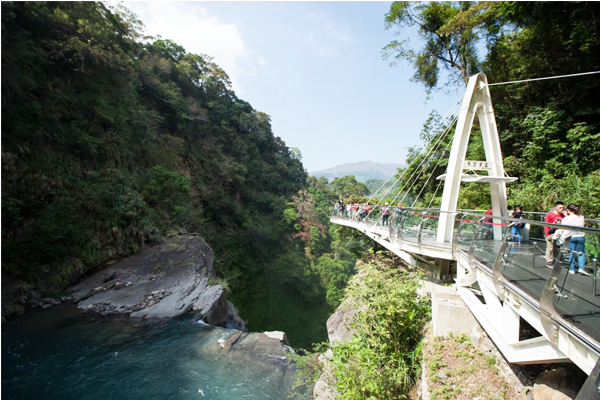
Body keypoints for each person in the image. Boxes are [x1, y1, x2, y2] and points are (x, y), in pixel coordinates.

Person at [552, 204, 588, 275]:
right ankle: (581, 268)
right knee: (581, 253)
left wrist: (555, 236)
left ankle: (572, 269)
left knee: (571, 252)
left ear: (568, 210)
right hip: (580, 236)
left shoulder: (566, 218)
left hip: (570, 237)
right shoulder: (581, 217)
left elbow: (563, 228)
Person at [544, 201, 565, 267]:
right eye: (560, 208)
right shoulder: (550, 215)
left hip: (559, 234)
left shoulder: (563, 215)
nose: (562, 209)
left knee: (557, 248)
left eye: (563, 208)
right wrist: (547, 235)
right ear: (555, 207)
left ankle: (556, 260)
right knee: (550, 247)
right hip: (551, 233)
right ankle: (549, 261)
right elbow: (546, 225)